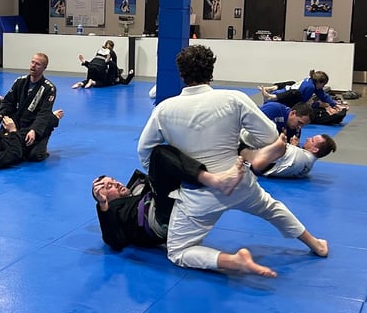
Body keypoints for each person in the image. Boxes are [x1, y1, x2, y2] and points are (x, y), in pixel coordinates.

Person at [137, 44, 329, 278]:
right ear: (211, 71)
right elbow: (269, 136)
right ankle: (316, 244)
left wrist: (178, 173)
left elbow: (145, 153)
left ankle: (233, 261)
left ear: (181, 74)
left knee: (178, 251)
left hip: (199, 193)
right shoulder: (233, 98)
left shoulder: (164, 109)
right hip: (239, 180)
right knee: (271, 208)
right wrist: (243, 143)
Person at [92, 145, 249, 251]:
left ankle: (242, 156)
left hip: (169, 200)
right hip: (159, 218)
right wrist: (103, 206)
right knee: (158, 154)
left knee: (180, 144)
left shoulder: (136, 185)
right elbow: (114, 241)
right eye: (109, 186)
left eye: (113, 180)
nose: (116, 183)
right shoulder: (114, 211)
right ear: (104, 198)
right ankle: (217, 181)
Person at [0, 52, 60, 162]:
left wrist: (34, 130)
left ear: (44, 68)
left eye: (38, 64)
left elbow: (43, 113)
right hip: (19, 122)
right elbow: (8, 102)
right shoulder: (20, 82)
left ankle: (47, 132)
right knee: (4, 147)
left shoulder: (49, 88)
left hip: (35, 123)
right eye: (32, 62)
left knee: (34, 156)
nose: (33, 65)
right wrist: (1, 114)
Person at [259, 70, 347, 124]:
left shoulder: (310, 81)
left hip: (281, 94)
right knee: (296, 93)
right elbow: (301, 104)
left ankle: (272, 89)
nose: (323, 87)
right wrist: (317, 104)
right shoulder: (310, 87)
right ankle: (272, 96)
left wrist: (334, 104)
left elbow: (322, 95)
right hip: (280, 100)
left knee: (292, 84)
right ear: (319, 82)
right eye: (323, 85)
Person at [240, 133, 337, 178]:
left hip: (261, 161)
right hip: (266, 168)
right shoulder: (307, 168)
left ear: (315, 149)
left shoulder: (298, 154)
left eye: (312, 140)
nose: (308, 138)